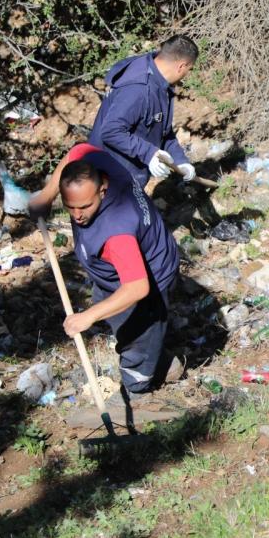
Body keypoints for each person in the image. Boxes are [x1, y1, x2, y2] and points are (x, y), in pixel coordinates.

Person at [29, 143, 179, 404]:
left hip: (148, 276)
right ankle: (165, 362)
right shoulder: (94, 164)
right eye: (69, 206)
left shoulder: (116, 232)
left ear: (103, 188)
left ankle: (137, 392)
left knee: (138, 338)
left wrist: (87, 317)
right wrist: (46, 196)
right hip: (116, 270)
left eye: (84, 207)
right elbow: (76, 151)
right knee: (117, 318)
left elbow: (137, 288)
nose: (76, 216)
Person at [88, 34, 199, 188]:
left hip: (127, 180)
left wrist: (181, 161)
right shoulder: (138, 89)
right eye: (189, 69)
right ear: (181, 66)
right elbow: (110, 131)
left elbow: (162, 130)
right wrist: (149, 153)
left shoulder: (160, 83)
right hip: (105, 182)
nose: (187, 75)